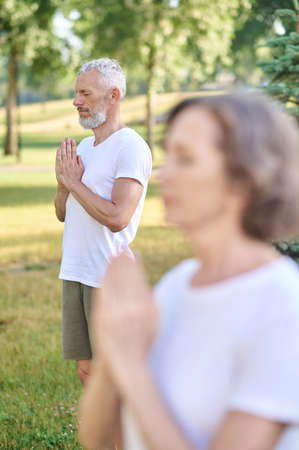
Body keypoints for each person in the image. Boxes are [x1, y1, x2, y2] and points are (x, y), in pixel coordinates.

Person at [78, 92, 299, 450]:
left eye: (186, 159)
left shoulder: (282, 307)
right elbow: (99, 438)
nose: (164, 174)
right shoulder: (177, 286)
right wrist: (113, 352)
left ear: (243, 180)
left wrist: (133, 367)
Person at [54, 57, 152, 386]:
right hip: (76, 272)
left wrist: (74, 184)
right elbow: (63, 213)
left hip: (107, 278)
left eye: (85, 93)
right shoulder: (84, 146)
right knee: (87, 372)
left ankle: (128, 440)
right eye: (76, 93)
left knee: (115, 380)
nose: (76, 101)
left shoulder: (131, 147)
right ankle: (105, 441)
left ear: (113, 95)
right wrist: (62, 185)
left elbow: (117, 217)